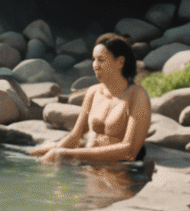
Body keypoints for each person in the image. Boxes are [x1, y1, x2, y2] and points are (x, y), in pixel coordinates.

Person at [32, 32, 152, 165]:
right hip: (86, 164)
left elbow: (129, 151)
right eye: (94, 59)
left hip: (116, 171)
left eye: (101, 60)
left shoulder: (137, 96)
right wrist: (51, 154)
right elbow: (75, 136)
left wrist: (63, 153)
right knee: (35, 155)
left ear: (120, 62)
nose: (95, 65)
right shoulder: (93, 92)